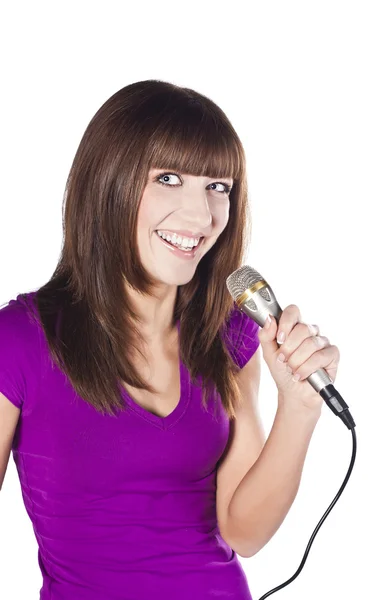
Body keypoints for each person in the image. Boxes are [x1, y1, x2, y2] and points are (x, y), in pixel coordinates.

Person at [0, 80, 263, 600]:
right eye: (169, 178)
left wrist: (301, 410)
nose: (201, 216)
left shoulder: (230, 335)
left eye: (219, 187)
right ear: (107, 183)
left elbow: (245, 533)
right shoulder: (20, 340)